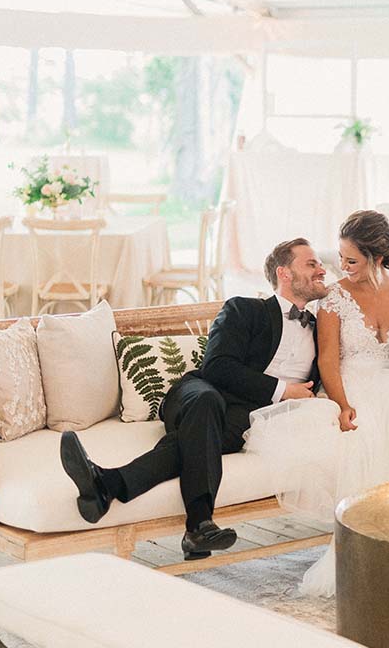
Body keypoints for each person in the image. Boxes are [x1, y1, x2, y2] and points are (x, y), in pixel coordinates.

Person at [58, 239, 328, 560]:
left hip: (247, 419)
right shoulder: (244, 309)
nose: (322, 269)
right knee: (207, 404)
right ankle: (199, 522)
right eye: (311, 264)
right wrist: (284, 390)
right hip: (198, 394)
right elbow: (217, 367)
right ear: (284, 273)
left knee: (200, 440)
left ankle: (109, 485)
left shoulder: (321, 328)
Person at [246, 209, 389, 597]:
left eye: (351, 260)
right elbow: (327, 361)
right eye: (340, 258)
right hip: (352, 383)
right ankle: (375, 547)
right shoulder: (336, 297)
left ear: (378, 257)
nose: (342, 267)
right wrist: (341, 404)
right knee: (384, 418)